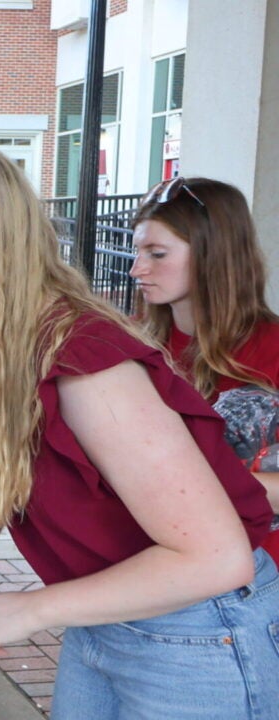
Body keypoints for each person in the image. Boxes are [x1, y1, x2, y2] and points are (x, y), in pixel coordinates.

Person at [0, 144, 279, 720]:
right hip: (108, 615)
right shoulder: (10, 351)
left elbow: (218, 559)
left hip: (198, 630)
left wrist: (38, 608)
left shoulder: (86, 363)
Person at [129, 176, 279, 561]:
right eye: (137, 252)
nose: (137, 269)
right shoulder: (134, 347)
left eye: (157, 254)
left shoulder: (271, 348)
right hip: (161, 562)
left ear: (215, 253)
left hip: (259, 576)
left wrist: (187, 483)